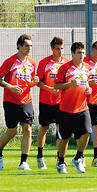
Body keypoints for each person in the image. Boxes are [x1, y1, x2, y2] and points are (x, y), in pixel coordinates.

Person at [0, 34, 38, 171]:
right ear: (19, 46)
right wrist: (11, 87)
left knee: (28, 129)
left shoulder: (32, 63)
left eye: (31, 46)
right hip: (10, 101)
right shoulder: (10, 61)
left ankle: (23, 162)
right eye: (27, 45)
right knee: (11, 132)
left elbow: (30, 82)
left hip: (26, 101)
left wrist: (35, 82)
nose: (29, 48)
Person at [54, 42, 92, 174]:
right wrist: (70, 84)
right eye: (78, 53)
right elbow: (56, 86)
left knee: (87, 132)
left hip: (82, 108)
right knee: (65, 138)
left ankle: (78, 157)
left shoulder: (87, 67)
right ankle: (60, 162)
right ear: (72, 54)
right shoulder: (65, 68)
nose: (81, 55)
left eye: (83, 52)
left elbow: (87, 83)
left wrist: (89, 89)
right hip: (66, 109)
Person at [36, 37, 69, 169]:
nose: (60, 51)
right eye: (57, 49)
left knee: (61, 131)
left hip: (61, 103)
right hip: (46, 101)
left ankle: (60, 159)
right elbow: (38, 81)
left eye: (62, 48)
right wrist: (50, 89)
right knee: (44, 128)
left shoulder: (67, 63)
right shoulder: (44, 63)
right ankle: (40, 156)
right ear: (52, 48)